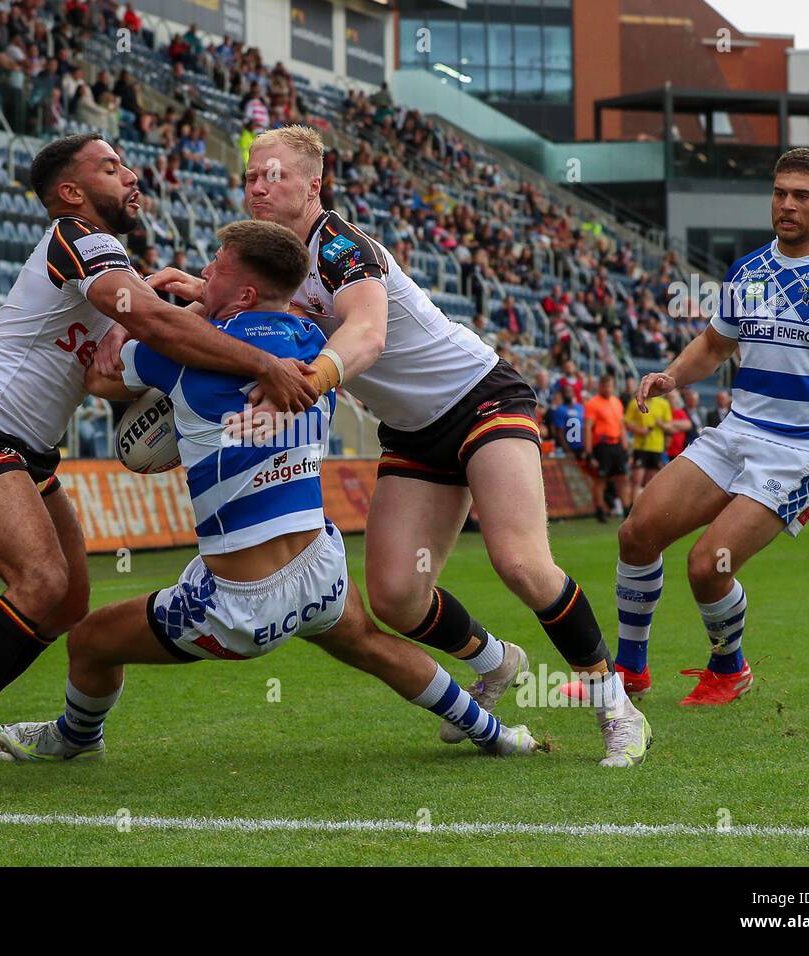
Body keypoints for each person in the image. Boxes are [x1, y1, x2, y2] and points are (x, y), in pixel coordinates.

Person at [142, 125, 650, 767]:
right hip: (412, 432)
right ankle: (498, 662)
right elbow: (257, 317)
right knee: (395, 597)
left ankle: (617, 707)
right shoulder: (273, 265)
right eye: (252, 176)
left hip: (479, 396)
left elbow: (369, 334)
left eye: (277, 175)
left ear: (314, 186)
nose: (260, 186)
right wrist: (196, 298)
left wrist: (306, 380)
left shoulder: (341, 246)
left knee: (520, 562)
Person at [0, 220, 538, 777]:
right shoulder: (314, 344)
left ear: (245, 292)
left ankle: (77, 737)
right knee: (369, 644)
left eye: (217, 267)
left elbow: (102, 378)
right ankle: (498, 733)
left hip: (238, 602)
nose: (204, 272)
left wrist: (173, 319)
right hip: (318, 565)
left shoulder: (181, 357)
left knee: (90, 640)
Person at [0, 134, 319, 798]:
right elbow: (152, 323)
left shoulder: (107, 258)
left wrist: (198, 307)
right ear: (72, 193)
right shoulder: (77, 236)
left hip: (26, 448)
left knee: (68, 599)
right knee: (40, 582)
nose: (131, 174)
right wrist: (263, 362)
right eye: (111, 167)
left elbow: (117, 358)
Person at [609, 148, 809, 706]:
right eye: (779, 193)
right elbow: (715, 345)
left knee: (708, 564)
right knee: (636, 534)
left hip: (800, 451)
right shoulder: (748, 270)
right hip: (735, 432)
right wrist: (673, 377)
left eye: (802, 195)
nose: (787, 205)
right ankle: (630, 671)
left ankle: (730, 666)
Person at [584, 374, 629, 521]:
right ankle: (600, 510)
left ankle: (626, 509)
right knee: (601, 479)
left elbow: (621, 426)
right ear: (600, 386)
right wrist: (589, 452)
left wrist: (625, 445)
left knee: (622, 478)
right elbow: (587, 428)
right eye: (606, 386)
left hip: (616, 444)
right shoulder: (593, 404)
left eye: (611, 386)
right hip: (602, 445)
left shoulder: (617, 402)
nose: (608, 389)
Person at [624, 385, 671, 495]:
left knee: (651, 481)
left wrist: (661, 425)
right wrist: (639, 430)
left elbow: (669, 425)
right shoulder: (635, 403)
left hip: (656, 447)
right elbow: (627, 422)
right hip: (640, 446)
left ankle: (648, 509)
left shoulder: (663, 404)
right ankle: (632, 507)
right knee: (636, 479)